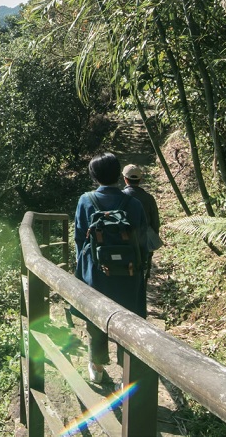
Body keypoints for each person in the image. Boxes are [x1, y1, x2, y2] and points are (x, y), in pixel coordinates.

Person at [74, 152, 148, 384]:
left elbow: (79, 239)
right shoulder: (134, 203)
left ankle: (97, 368)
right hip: (128, 272)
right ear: (119, 174)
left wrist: (81, 270)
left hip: (96, 272)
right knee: (130, 318)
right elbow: (143, 240)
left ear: (94, 176)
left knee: (96, 318)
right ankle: (127, 370)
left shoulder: (86, 201)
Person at [122, 163, 161, 280]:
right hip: (144, 239)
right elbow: (155, 223)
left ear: (125, 179)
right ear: (140, 179)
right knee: (143, 272)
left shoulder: (120, 196)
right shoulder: (149, 198)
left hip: (124, 240)